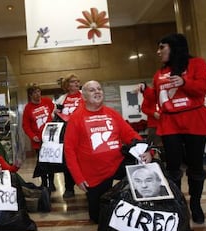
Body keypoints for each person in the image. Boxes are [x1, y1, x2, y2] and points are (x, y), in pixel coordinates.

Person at [64, 80, 153, 223]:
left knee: (150, 166)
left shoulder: (112, 113)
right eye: (92, 90)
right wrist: (78, 178)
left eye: (99, 89)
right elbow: (69, 150)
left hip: (116, 165)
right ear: (84, 97)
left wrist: (147, 150)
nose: (97, 91)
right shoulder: (76, 118)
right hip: (94, 174)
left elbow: (130, 135)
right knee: (98, 218)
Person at [145, 33, 206, 224]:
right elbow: (157, 97)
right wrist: (145, 90)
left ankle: (196, 205)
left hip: (195, 121)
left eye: (162, 47)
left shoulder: (197, 63)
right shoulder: (159, 73)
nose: (158, 52)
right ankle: (177, 204)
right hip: (169, 123)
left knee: (195, 165)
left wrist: (185, 82)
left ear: (174, 47)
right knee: (172, 167)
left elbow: (203, 88)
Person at [54, 73, 85, 199]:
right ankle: (69, 188)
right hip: (67, 135)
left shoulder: (85, 95)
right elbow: (55, 116)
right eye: (73, 81)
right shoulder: (62, 99)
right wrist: (55, 112)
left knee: (85, 161)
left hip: (83, 134)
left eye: (77, 81)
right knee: (68, 162)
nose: (76, 83)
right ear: (67, 85)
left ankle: (89, 186)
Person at [22, 84, 56, 191]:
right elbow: (25, 125)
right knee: (42, 162)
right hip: (38, 141)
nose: (38, 94)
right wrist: (32, 136)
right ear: (30, 95)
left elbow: (55, 114)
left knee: (51, 161)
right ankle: (44, 183)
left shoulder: (47, 102)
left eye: (38, 92)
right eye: (35, 92)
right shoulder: (28, 108)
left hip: (50, 137)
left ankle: (51, 182)